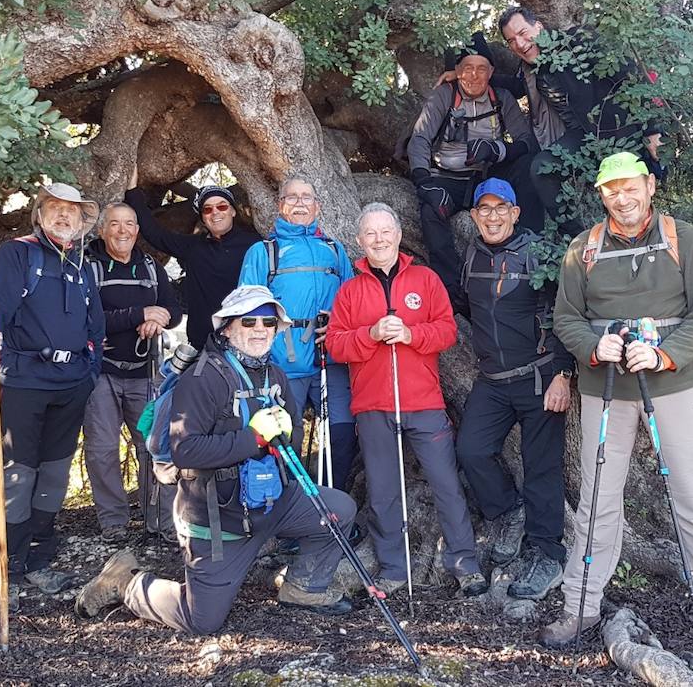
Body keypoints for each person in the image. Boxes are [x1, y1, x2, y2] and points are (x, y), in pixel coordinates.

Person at [541, 152, 693, 660]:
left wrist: (662, 354)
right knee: (597, 501)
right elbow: (565, 318)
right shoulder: (582, 250)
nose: (623, 197)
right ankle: (581, 605)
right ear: (601, 195)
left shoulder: (684, 240)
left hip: (673, 387)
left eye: (631, 186)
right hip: (604, 388)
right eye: (612, 190)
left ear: (650, 186)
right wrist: (594, 348)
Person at [73, 285, 357, 633]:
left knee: (338, 510)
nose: (259, 329)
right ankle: (125, 582)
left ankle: (303, 587)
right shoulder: (202, 377)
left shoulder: (276, 375)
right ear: (227, 327)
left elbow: (292, 442)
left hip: (272, 503)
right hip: (219, 519)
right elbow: (186, 450)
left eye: (268, 322)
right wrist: (253, 438)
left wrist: (288, 432)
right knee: (201, 619)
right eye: (249, 320)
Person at [326, 203, 488, 597]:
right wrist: (372, 334)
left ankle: (465, 564)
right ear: (361, 240)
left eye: (386, 232)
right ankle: (393, 569)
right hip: (373, 405)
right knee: (382, 491)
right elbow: (335, 344)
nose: (379, 239)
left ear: (398, 235)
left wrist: (412, 336)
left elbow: (447, 332)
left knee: (446, 484)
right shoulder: (349, 290)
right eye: (371, 233)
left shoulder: (426, 279)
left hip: (424, 401)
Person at [0, 182, 104, 608]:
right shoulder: (18, 253)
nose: (65, 216)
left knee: (54, 474)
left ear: (84, 223)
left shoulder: (83, 266)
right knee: (18, 475)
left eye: (74, 211)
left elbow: (95, 327)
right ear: (41, 213)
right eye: (56, 208)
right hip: (24, 381)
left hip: (71, 385)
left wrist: (89, 371)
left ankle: (39, 560)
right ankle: (6, 572)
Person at [454, 179, 574, 601]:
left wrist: (563, 374)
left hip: (540, 378)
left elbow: (567, 314)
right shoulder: (470, 255)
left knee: (541, 469)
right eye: (483, 209)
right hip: (492, 381)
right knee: (470, 449)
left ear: (516, 212)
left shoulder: (539, 254)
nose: (491, 215)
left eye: (500, 207)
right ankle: (507, 511)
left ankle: (548, 555)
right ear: (473, 216)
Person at [497, 6, 667, 234]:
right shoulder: (530, 68)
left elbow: (631, 75)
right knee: (542, 168)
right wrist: (469, 75)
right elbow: (518, 87)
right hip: (583, 139)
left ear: (538, 26)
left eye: (522, 32)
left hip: (618, 133)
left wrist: (652, 130)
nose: (519, 43)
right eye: (511, 40)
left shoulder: (578, 41)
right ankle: (577, 239)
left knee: (627, 200)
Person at [237, 178, 358, 491]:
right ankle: (293, 511)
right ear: (280, 206)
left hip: (330, 359)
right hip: (282, 365)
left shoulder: (334, 250)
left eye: (307, 197)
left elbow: (354, 300)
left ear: (317, 206)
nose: (300, 203)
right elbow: (246, 308)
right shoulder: (263, 252)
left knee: (343, 433)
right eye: (292, 197)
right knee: (286, 439)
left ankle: (334, 505)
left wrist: (339, 321)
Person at [407, 36, 540, 314]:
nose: (474, 75)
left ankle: (532, 252)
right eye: (467, 68)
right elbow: (419, 139)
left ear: (491, 72)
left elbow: (527, 142)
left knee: (529, 167)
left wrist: (497, 149)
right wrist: (425, 183)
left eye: (481, 68)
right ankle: (453, 294)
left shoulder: (501, 98)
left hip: (486, 177)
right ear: (457, 71)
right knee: (431, 215)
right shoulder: (444, 95)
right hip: (447, 177)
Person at [81, 202, 184, 543]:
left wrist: (159, 317)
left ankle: (161, 520)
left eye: (129, 224)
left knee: (154, 446)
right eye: (114, 224)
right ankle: (114, 522)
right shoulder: (88, 267)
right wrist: (140, 313)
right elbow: (88, 319)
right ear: (102, 230)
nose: (122, 230)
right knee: (102, 448)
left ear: (137, 231)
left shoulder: (151, 268)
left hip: (146, 372)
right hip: (101, 373)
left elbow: (173, 309)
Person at [123, 167, 261, 349]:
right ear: (203, 218)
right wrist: (133, 191)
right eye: (208, 209)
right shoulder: (194, 247)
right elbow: (154, 233)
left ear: (233, 211)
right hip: (201, 343)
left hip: (242, 341)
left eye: (222, 206)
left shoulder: (255, 245)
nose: (215, 213)